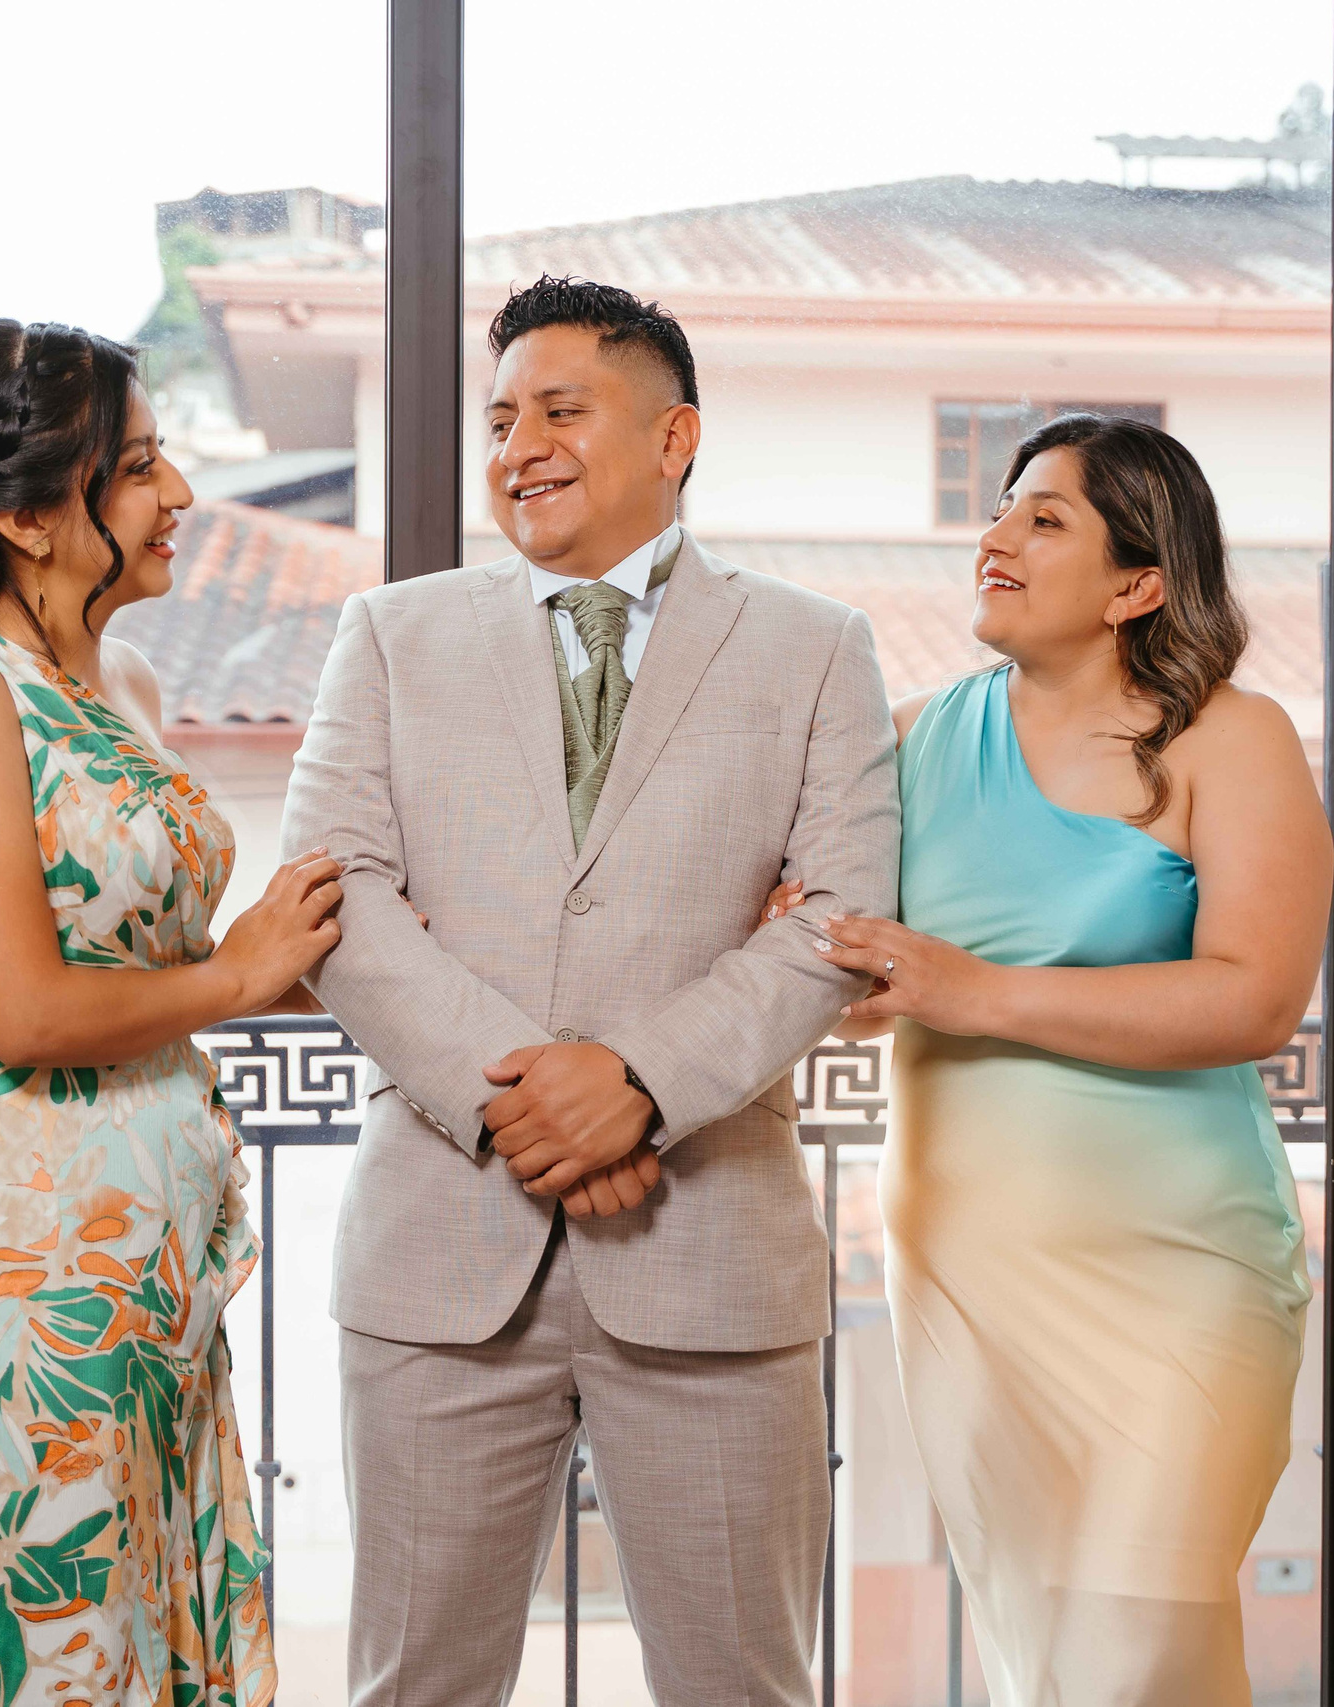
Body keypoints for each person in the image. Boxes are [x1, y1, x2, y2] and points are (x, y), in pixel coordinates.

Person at [280, 276, 899, 1706]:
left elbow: (842, 919)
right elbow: (332, 898)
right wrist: (536, 1106)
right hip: (440, 1259)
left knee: (743, 1689)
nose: (519, 449)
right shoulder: (390, 634)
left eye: (560, 411)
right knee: (414, 1689)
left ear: (675, 437)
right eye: (501, 421)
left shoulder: (817, 646)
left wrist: (639, 1089)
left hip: (712, 1256)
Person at [797, 413, 1330, 1704]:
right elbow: (828, 951)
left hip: (1179, 1277)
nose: (996, 537)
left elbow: (1257, 998)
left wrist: (973, 992)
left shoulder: (1232, 739)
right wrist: (833, 966)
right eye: (1000, 509)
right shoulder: (909, 740)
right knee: (1050, 1664)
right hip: (971, 1281)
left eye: (1045, 519)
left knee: (1135, 1658)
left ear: (1136, 585)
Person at [0, 319, 336, 1707]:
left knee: (139, 1623)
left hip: (148, 1248)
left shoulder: (123, 684)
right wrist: (240, 977)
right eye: (134, 469)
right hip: (28, 1255)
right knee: (45, 1633)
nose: (177, 493)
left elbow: (159, 966)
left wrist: (340, 954)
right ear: (24, 516)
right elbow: (24, 1009)